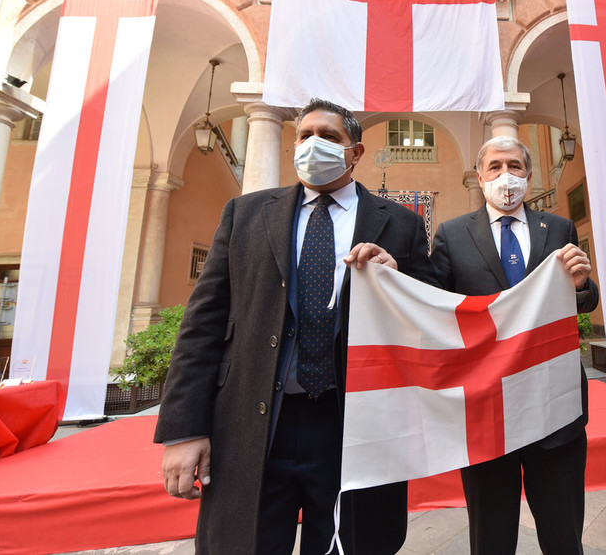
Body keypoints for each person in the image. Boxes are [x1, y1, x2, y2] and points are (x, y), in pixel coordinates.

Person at [154, 99, 435, 553]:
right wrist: (183, 431)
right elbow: (202, 324)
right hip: (254, 422)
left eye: (329, 137)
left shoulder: (400, 223)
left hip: (353, 425)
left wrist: (396, 278)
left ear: (355, 152)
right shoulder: (244, 215)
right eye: (305, 135)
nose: (313, 144)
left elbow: (431, 313)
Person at [430, 135, 599, 555]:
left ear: (529, 173)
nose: (506, 175)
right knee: (491, 536)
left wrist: (581, 285)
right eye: (495, 166)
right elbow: (433, 306)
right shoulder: (452, 234)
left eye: (515, 166)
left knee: (563, 533)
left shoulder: (557, 228)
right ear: (479, 176)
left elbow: (584, 299)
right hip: (485, 406)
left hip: (553, 403)